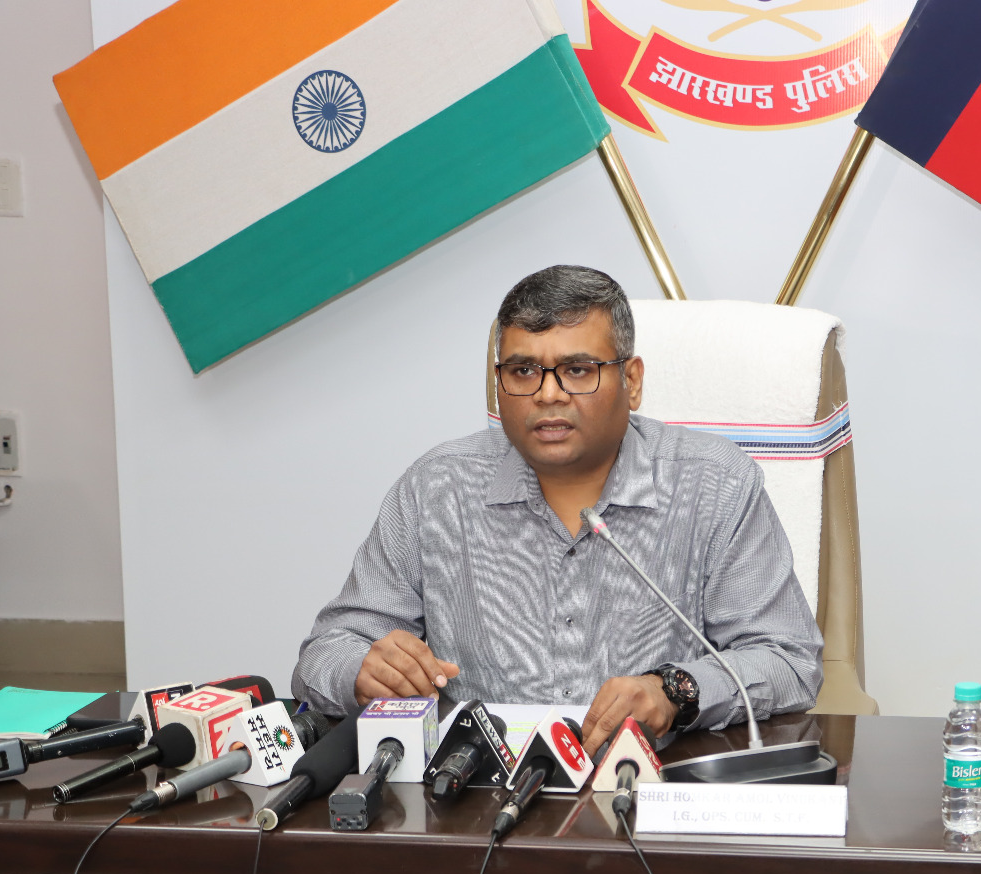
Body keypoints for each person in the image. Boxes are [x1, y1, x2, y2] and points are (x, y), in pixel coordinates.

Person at [291, 265, 823, 753]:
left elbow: (788, 660)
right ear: (499, 385)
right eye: (523, 370)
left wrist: (675, 689)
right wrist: (362, 670)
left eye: (578, 369)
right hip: (476, 794)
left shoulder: (715, 483)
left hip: (650, 791)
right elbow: (324, 654)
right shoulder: (436, 489)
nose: (548, 394)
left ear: (632, 381)